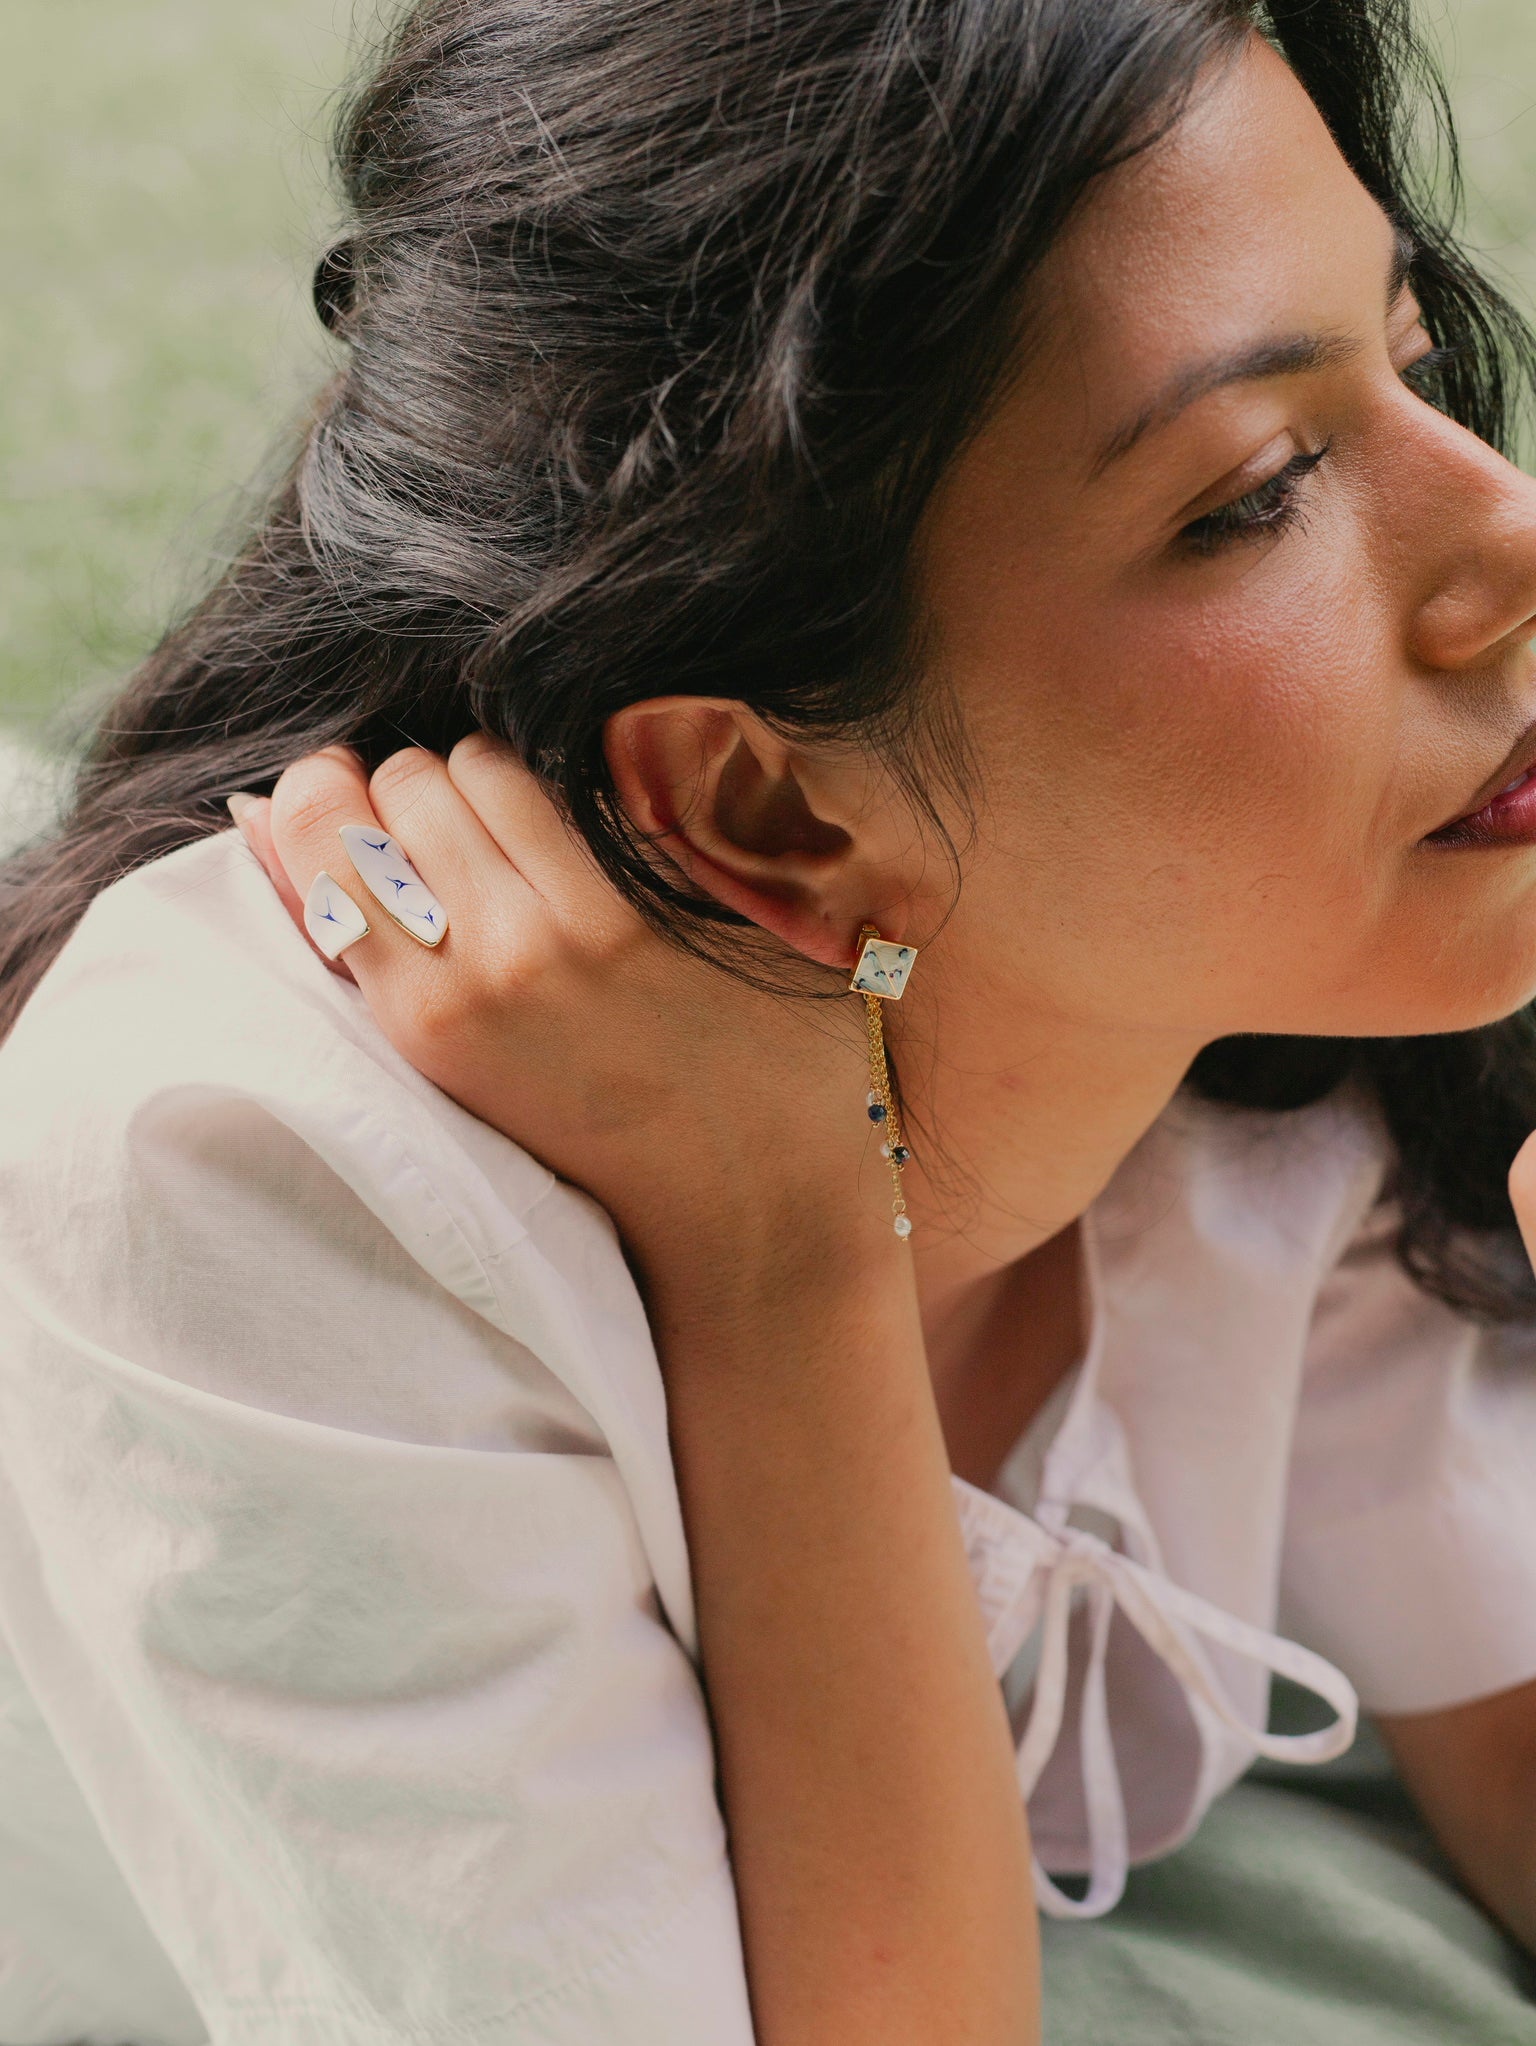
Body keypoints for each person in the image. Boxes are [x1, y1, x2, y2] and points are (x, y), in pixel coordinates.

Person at [6, 0, 1536, 2039]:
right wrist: (788, 1256)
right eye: (1254, 490)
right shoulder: (252, 1178)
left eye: (1417, 360)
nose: (1508, 542)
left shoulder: (1262, 995)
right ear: (762, 804)